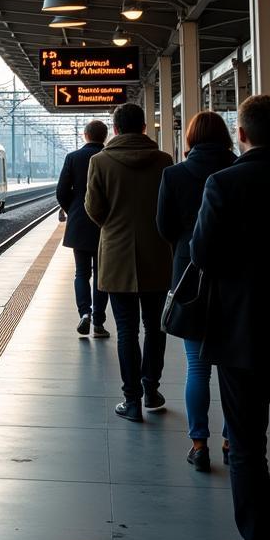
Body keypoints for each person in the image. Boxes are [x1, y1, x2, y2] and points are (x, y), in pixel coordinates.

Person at [193, 94, 270, 540]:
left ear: (243, 136)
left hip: (242, 334)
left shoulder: (223, 184)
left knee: (247, 448)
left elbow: (205, 255)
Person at [156, 111, 235, 473]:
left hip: (190, 279)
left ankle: (198, 444)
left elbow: (164, 226)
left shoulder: (173, 175)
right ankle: (230, 439)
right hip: (237, 281)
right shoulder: (238, 169)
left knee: (196, 367)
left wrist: (186, 245)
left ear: (189, 139)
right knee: (233, 368)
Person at [84, 102, 173, 422]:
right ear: (145, 128)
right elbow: (170, 209)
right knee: (155, 328)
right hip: (158, 255)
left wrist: (113, 225)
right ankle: (151, 389)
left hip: (117, 255)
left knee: (125, 330)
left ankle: (131, 401)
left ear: (116, 129)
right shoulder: (164, 161)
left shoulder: (100, 161)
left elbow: (93, 208)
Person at [56, 119, 109, 338]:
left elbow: (61, 191)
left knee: (81, 273)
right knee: (101, 275)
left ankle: (84, 313)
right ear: (105, 136)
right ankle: (98, 322)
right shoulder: (109, 157)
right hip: (105, 224)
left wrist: (74, 210)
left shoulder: (73, 158)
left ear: (85, 136)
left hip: (79, 222)